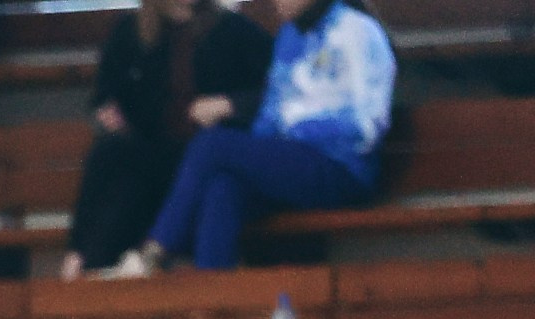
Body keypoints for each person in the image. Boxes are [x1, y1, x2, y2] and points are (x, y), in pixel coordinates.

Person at [111, 0, 393, 275]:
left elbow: (366, 126)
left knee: (213, 143)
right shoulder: (289, 36)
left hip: (340, 167)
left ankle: (153, 252)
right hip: (291, 161)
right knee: (223, 186)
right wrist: (259, 153)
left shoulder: (358, 32)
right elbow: (271, 113)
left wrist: (294, 129)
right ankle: (214, 302)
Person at [62, 0, 273, 280]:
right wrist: (108, 112)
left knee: (130, 178)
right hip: (146, 156)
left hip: (203, 159)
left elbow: (274, 90)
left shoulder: (233, 31)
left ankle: (93, 262)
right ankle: (83, 260)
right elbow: (105, 93)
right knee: (111, 156)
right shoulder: (131, 32)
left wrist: (229, 104)